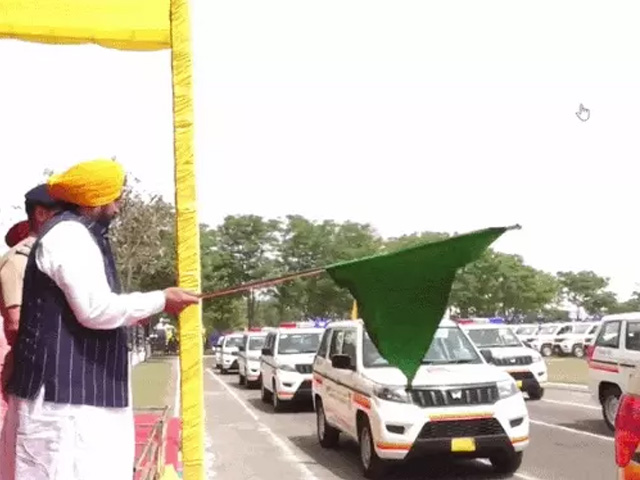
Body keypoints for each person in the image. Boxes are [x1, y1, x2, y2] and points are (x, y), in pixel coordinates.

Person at [0, 159, 200, 480]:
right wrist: (162, 300)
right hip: (63, 404)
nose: (118, 208)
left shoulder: (78, 234)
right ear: (95, 200)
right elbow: (95, 309)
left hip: (76, 399)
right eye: (115, 199)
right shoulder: (69, 236)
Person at [0, 186, 62, 436]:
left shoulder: (50, 256)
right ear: (41, 214)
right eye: (60, 213)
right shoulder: (19, 260)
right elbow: (15, 323)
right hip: (29, 370)